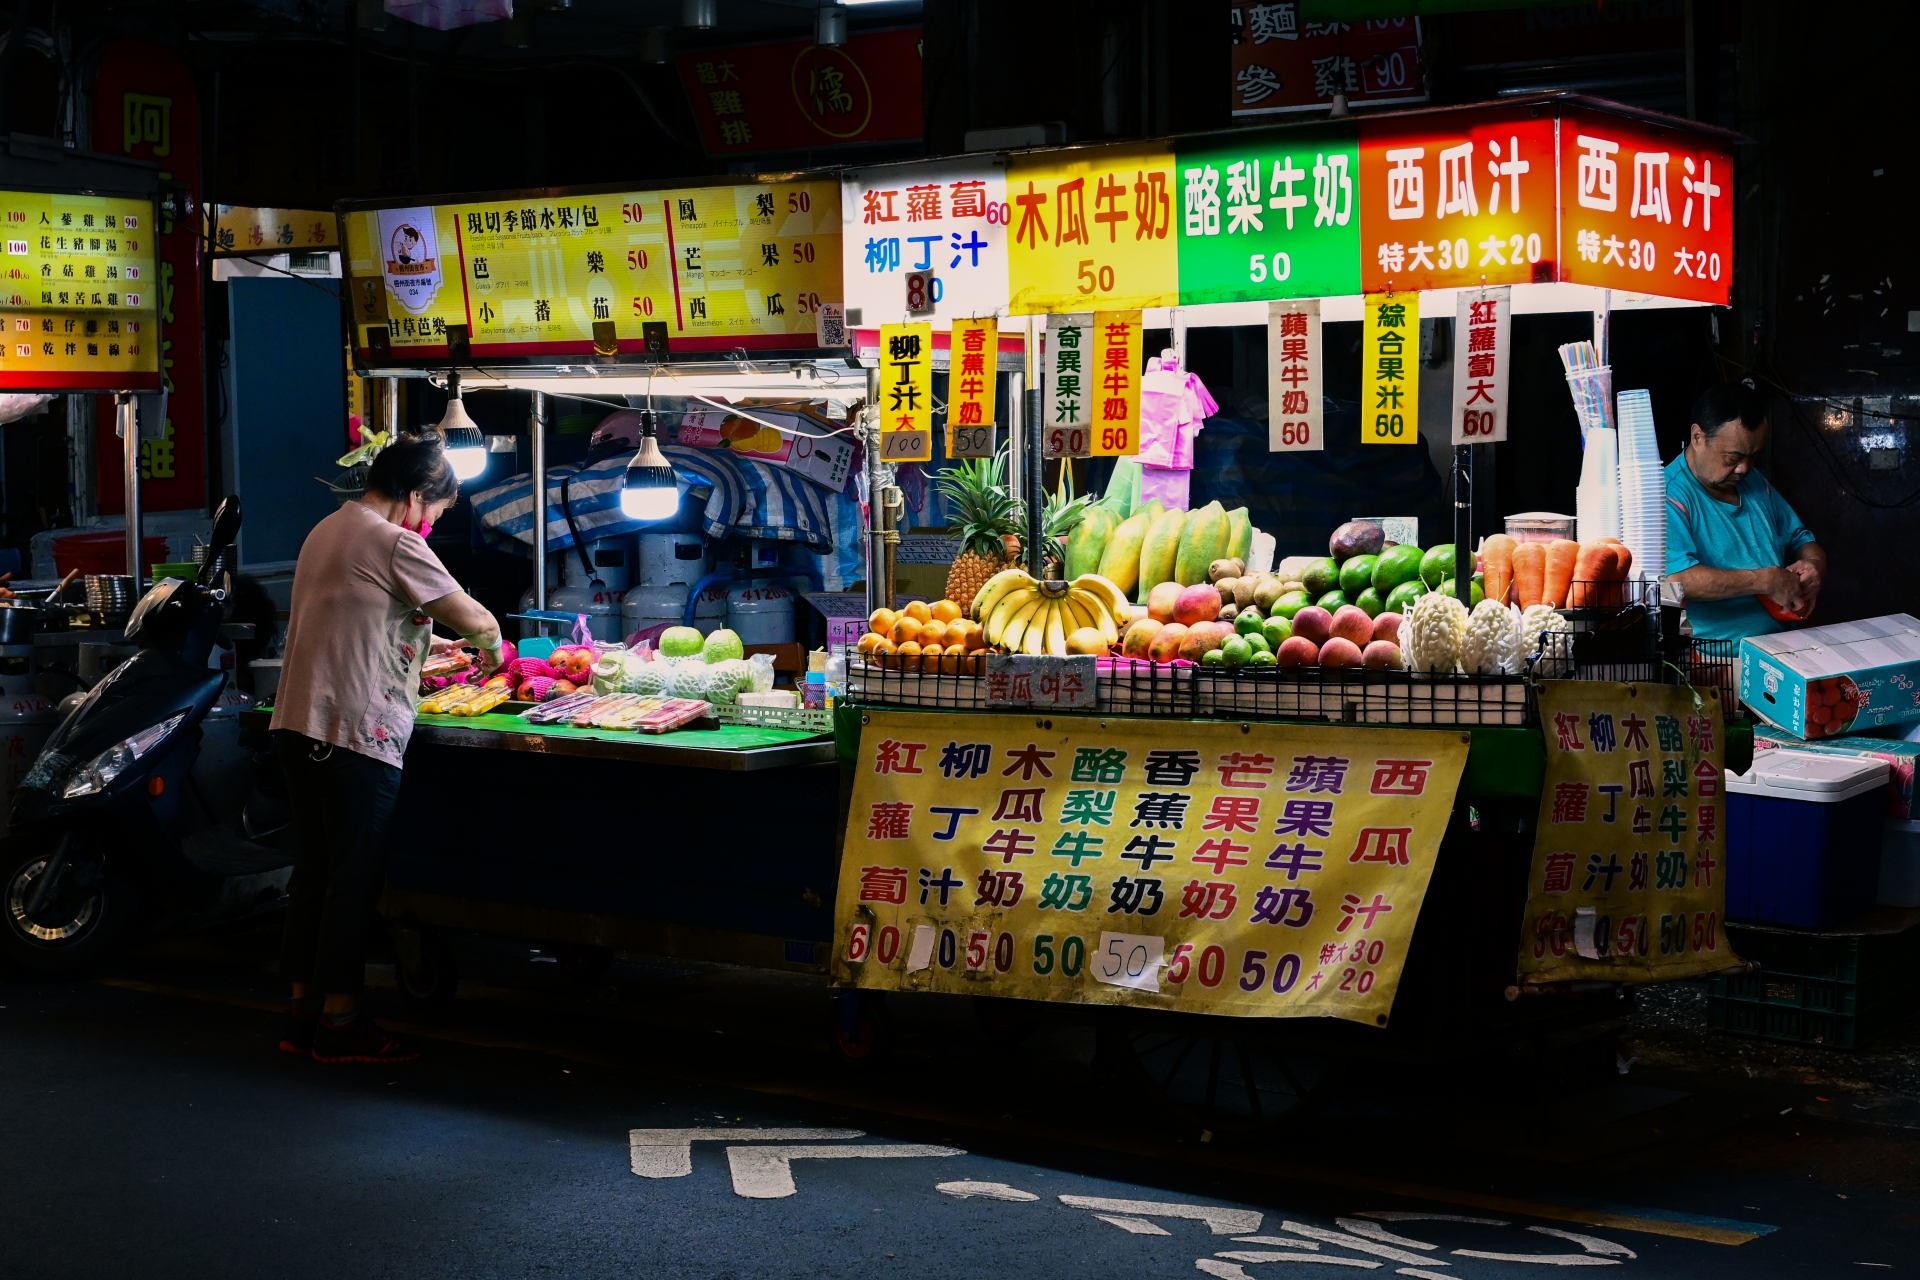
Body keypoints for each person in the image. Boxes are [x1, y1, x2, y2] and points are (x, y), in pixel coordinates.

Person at [269, 433, 504, 1064]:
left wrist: (428, 651)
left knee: (315, 873)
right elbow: (475, 619)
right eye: (436, 512)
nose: (430, 525)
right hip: (351, 735)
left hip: (299, 725)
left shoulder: (328, 528)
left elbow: (360, 623)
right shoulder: (392, 538)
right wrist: (493, 652)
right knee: (353, 880)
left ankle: (301, 1013)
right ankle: (341, 1023)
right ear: (417, 495)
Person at [1664, 383, 1826, 643]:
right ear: (1698, 437)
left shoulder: (1753, 481)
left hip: (1785, 646)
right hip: (1719, 660)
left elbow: (1802, 538)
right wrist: (1765, 581)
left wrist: (1814, 566)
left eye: (1753, 457)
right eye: (1733, 457)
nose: (1743, 469)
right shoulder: (1670, 495)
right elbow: (1677, 579)